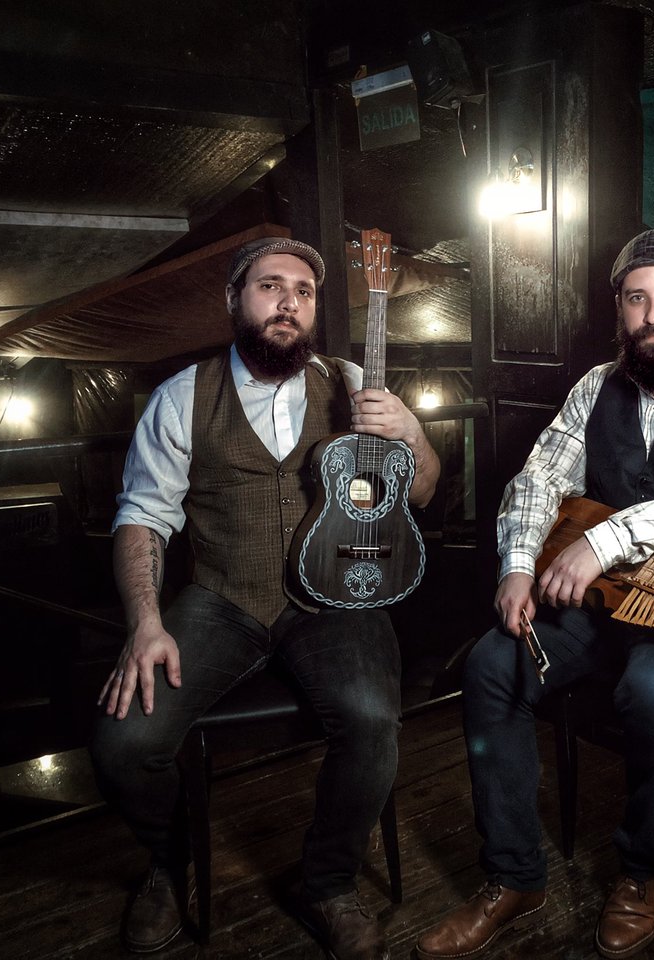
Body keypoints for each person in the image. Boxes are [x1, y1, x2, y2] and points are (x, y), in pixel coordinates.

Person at [416, 228, 654, 960]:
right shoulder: (594, 386)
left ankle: (643, 872)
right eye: (637, 299)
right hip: (604, 608)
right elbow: (539, 478)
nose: (653, 316)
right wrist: (518, 565)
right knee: (492, 665)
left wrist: (602, 540)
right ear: (618, 309)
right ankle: (514, 875)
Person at [90, 236, 440, 959]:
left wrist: (410, 430)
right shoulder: (182, 396)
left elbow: (424, 489)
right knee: (126, 741)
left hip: (338, 597)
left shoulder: (348, 381)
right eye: (270, 286)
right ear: (235, 300)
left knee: (374, 720)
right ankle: (168, 864)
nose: (289, 302)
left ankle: (329, 884)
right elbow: (142, 517)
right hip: (223, 597)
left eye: (304, 291)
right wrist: (146, 625)